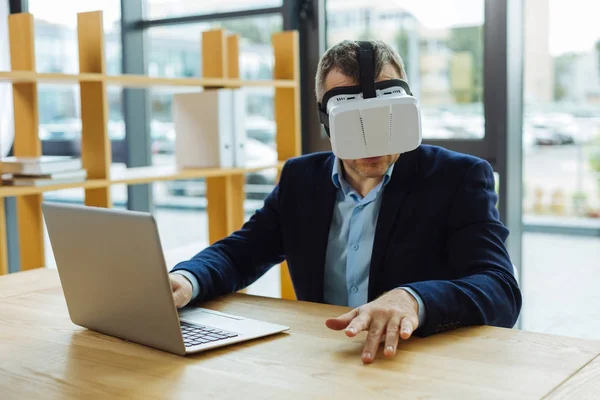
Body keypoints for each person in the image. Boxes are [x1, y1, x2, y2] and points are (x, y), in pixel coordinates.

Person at [169, 40, 522, 364]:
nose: (373, 144)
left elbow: (500, 289)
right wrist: (188, 279)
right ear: (327, 121)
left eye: (385, 121)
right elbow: (240, 253)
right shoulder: (300, 178)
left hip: (414, 366)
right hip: (323, 360)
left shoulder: (458, 177)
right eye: (355, 126)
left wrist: (413, 300)